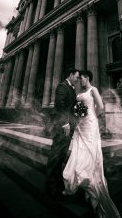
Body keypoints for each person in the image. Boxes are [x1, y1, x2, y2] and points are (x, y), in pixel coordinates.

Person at [63, 70, 121, 217]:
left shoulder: (93, 89)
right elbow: (78, 108)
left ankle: (89, 181)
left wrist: (90, 115)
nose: (79, 81)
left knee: (89, 152)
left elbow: (100, 107)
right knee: (78, 151)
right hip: (80, 125)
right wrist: (79, 114)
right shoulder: (80, 91)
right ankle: (82, 179)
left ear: (87, 78)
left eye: (80, 78)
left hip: (90, 124)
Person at [45, 68, 80, 199]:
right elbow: (60, 105)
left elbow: (73, 107)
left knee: (60, 156)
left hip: (69, 127)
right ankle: (50, 187)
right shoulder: (62, 86)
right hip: (62, 127)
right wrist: (65, 123)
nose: (77, 80)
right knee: (55, 156)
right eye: (76, 77)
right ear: (70, 75)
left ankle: (58, 184)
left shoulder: (71, 88)